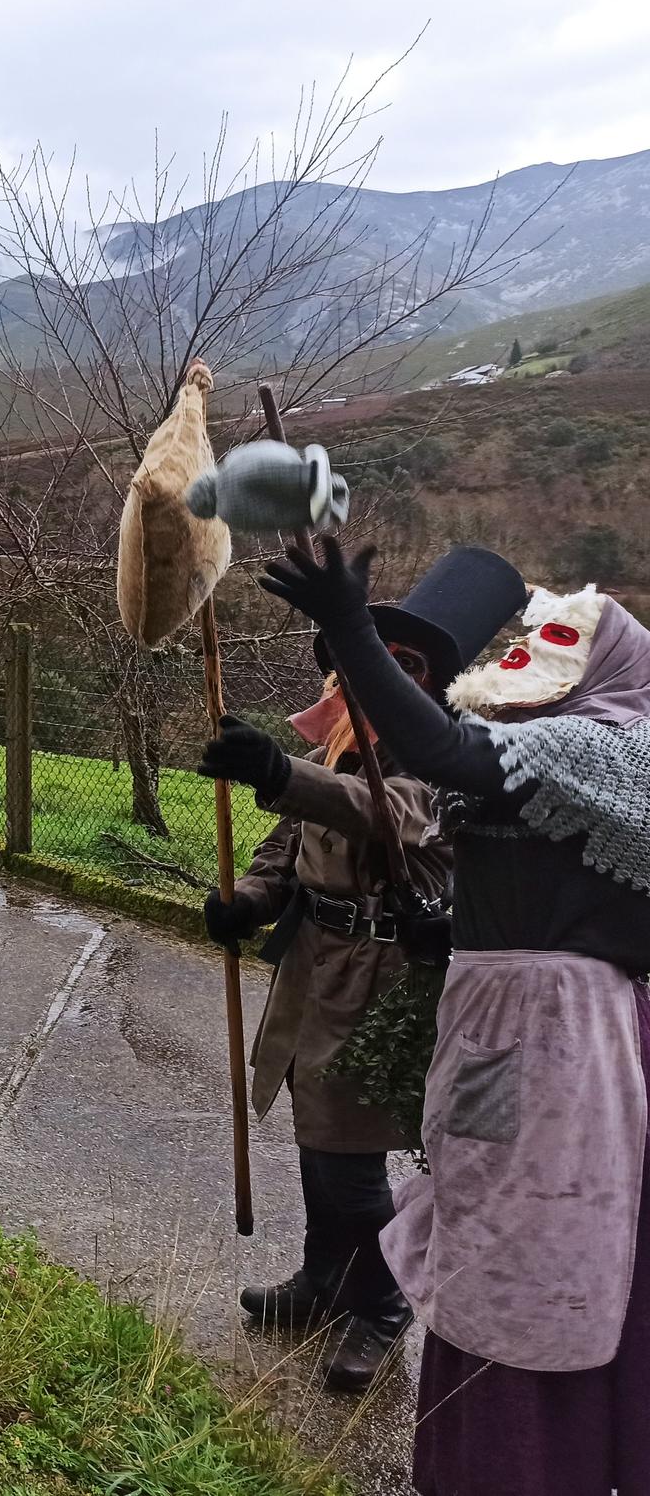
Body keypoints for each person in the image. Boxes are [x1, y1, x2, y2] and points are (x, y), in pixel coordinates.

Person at [261, 537, 650, 1495]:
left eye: (561, 637)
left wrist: (349, 630)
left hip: (556, 1046)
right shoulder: (550, 751)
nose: (534, 652)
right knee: (473, 1203)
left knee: (528, 1248)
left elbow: (434, 755)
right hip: (495, 1022)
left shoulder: (603, 750)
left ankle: (523, 1461)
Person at [200, 547, 526, 1392]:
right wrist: (252, 896)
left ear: (434, 681)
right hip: (315, 962)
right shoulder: (350, 736)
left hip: (384, 974)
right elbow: (293, 839)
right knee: (317, 1136)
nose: (379, 673)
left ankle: (379, 1304)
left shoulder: (447, 757)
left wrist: (281, 773)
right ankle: (322, 1281)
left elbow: (393, 817)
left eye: (408, 662)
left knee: (349, 1158)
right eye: (376, 655)